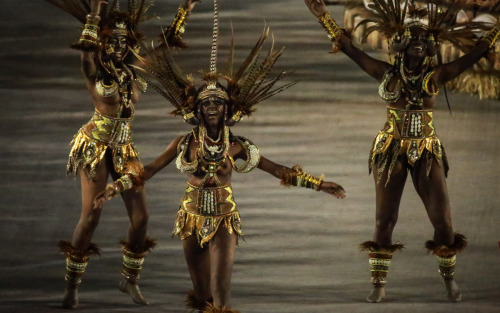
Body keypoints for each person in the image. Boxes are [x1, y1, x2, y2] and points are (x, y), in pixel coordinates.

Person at [96, 1, 346, 312]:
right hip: (190, 219)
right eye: (206, 101)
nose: (212, 105)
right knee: (202, 299)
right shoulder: (183, 142)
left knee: (222, 296)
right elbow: (147, 171)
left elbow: (277, 170)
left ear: (228, 109)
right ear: (196, 109)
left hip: (224, 220)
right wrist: (115, 187)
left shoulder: (237, 145)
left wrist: (318, 185)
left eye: (218, 101)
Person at [304, 0, 499, 303]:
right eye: (414, 39)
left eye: (424, 40)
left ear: (430, 46)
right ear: (401, 44)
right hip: (391, 150)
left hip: (426, 150)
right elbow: (349, 48)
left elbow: (475, 54)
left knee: (444, 224)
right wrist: (323, 18)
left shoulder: (438, 75)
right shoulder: (385, 73)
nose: (419, 44)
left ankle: (448, 278)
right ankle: (379, 284)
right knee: (384, 221)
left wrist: (497, 30)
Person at [47, 0, 198, 308]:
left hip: (124, 148)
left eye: (122, 41)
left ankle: (129, 281)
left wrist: (185, 10)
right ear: (102, 43)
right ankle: (72, 288)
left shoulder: (133, 70)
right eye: (111, 41)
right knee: (90, 217)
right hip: (96, 147)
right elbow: (86, 48)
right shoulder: (93, 70)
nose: (117, 46)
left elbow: (165, 46)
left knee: (141, 218)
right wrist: (95, 12)